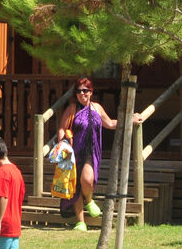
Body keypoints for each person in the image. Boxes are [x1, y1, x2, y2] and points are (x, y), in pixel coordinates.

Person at [56, 77, 141, 231]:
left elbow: (110, 124)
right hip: (74, 152)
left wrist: (130, 119)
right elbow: (62, 128)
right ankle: (81, 222)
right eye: (79, 91)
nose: (82, 94)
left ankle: (89, 200)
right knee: (75, 186)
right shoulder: (72, 109)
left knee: (87, 180)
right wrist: (62, 140)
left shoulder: (97, 108)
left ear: (91, 92)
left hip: (91, 151)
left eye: (85, 90)